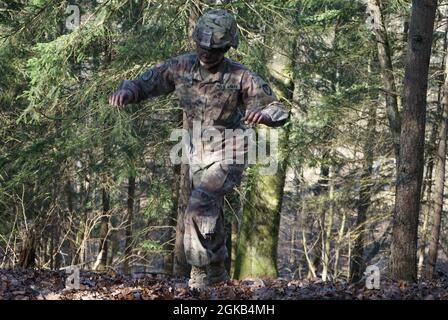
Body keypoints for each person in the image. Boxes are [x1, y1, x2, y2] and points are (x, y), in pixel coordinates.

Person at [109, 8, 289, 289]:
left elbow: (276, 108)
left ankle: (201, 278)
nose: (206, 52)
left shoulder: (241, 76)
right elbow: (147, 82)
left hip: (231, 150)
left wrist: (266, 116)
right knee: (209, 213)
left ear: (227, 47)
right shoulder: (181, 67)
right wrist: (128, 92)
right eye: (202, 46)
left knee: (199, 206)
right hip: (196, 152)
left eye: (215, 48)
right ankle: (217, 274)